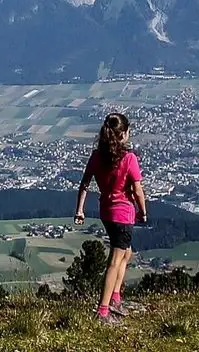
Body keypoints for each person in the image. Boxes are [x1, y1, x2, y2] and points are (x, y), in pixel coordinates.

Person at [73, 112, 147, 324]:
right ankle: (103, 309)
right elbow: (138, 189)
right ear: (123, 134)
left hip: (106, 212)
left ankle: (114, 297)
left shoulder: (97, 157)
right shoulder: (129, 159)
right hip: (123, 215)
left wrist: (80, 210)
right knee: (115, 260)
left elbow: (85, 183)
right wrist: (143, 211)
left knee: (126, 253)